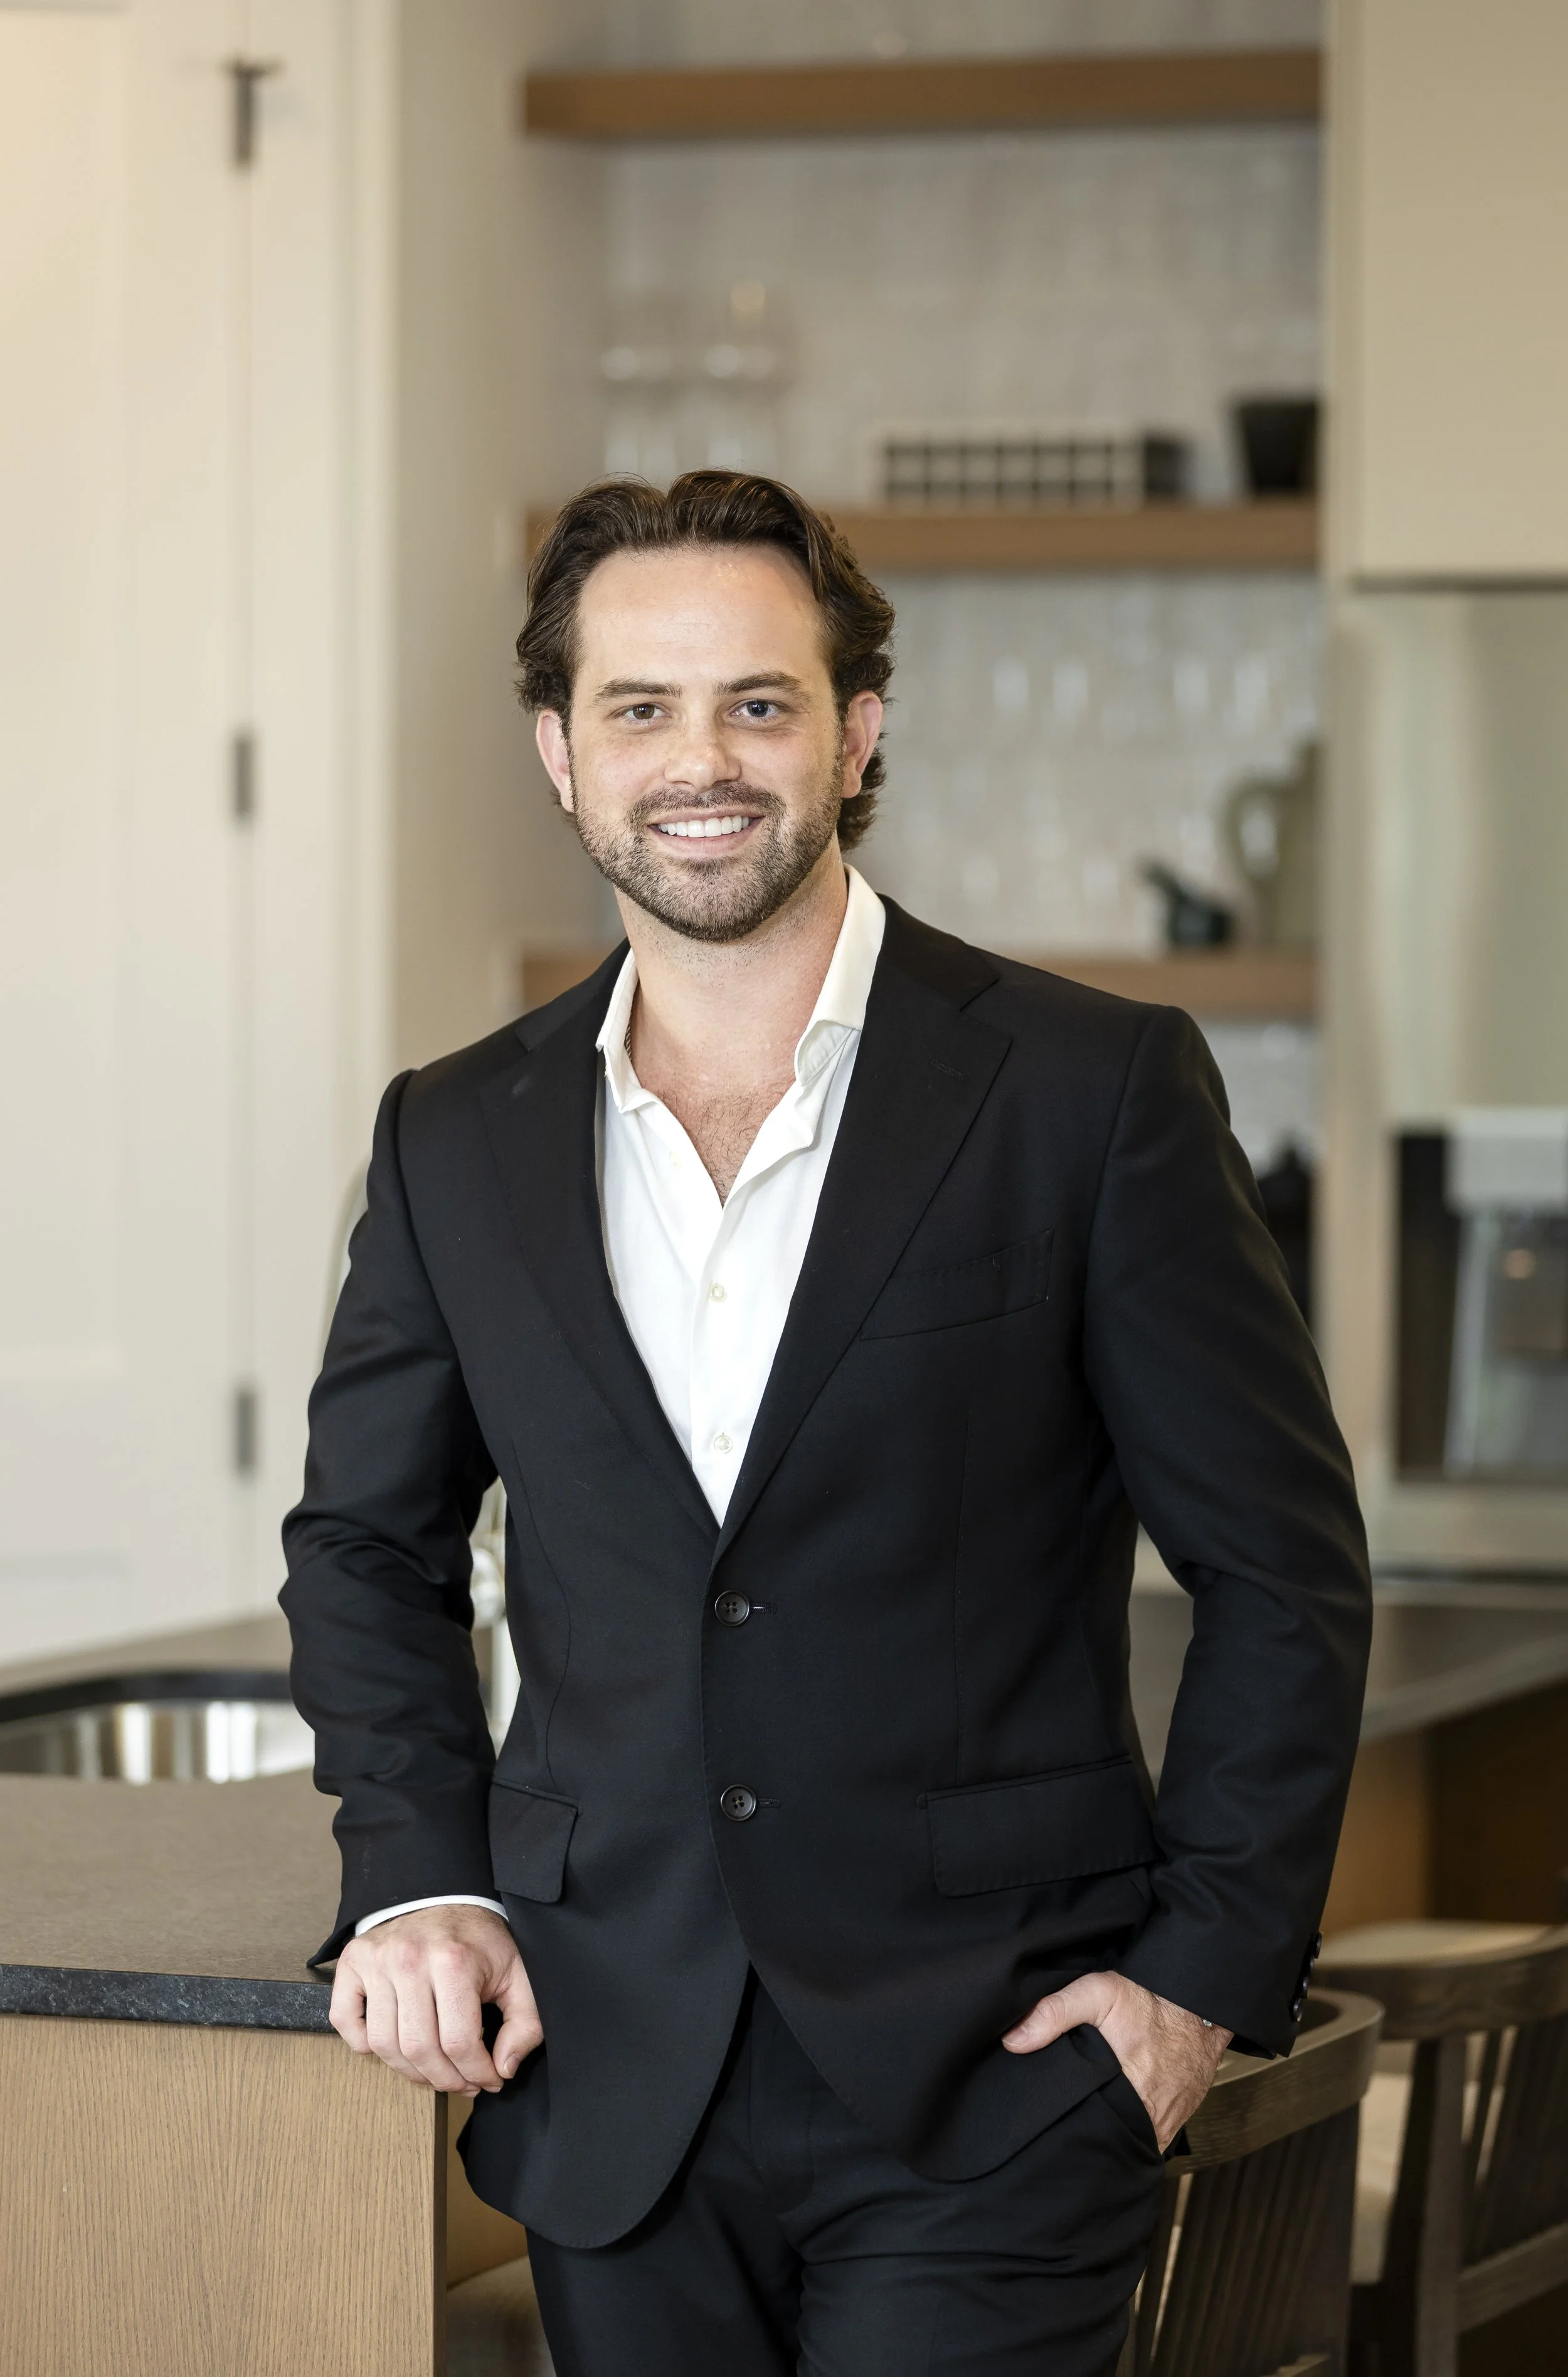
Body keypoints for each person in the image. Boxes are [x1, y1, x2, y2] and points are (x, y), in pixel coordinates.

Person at [282, 470, 1372, 2377]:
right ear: (559, 750)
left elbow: (1280, 1565)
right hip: (608, 2063)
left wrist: (1197, 1977)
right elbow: (365, 1546)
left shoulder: (1085, 1090)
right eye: (638, 707)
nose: (698, 760)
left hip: (995, 2080)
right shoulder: (451, 1133)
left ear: (857, 730)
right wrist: (417, 1876)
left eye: (757, 702)